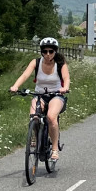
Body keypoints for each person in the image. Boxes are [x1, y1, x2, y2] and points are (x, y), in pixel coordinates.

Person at [11, 38, 71, 167]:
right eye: (45, 51)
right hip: (40, 95)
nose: (48, 54)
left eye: (51, 51)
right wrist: (15, 86)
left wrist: (64, 88)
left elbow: (66, 78)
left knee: (51, 117)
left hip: (56, 95)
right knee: (34, 116)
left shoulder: (60, 63)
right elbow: (25, 75)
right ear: (41, 52)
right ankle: (35, 136)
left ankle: (54, 149)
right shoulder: (36, 62)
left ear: (55, 51)